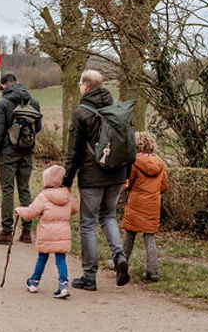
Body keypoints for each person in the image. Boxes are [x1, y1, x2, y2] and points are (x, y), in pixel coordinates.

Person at [63, 69, 130, 290]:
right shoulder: (117, 109)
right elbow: (128, 144)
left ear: (86, 86)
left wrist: (67, 181)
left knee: (88, 224)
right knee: (108, 216)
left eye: (81, 84)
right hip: (117, 172)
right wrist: (126, 175)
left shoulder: (81, 112)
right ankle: (119, 256)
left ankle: (89, 277)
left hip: (92, 176)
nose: (80, 87)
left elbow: (74, 150)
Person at [0, 73, 42, 245]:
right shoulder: (33, 101)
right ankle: (26, 232)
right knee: (24, 189)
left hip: (7, 153)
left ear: (3, 85)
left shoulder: (3, 103)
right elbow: (37, 128)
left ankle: (6, 231)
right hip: (27, 152)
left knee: (8, 191)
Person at [16, 164, 79, 299]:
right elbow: (75, 209)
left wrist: (19, 210)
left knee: (42, 258)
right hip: (62, 234)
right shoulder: (67, 195)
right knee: (61, 260)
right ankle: (63, 285)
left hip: (46, 234)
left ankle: (34, 282)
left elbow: (31, 213)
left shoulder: (43, 196)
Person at [121, 131, 168, 282]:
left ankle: (120, 263)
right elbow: (164, 186)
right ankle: (153, 271)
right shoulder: (160, 163)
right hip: (152, 204)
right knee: (149, 238)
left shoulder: (134, 162)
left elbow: (128, 183)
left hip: (136, 203)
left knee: (129, 235)